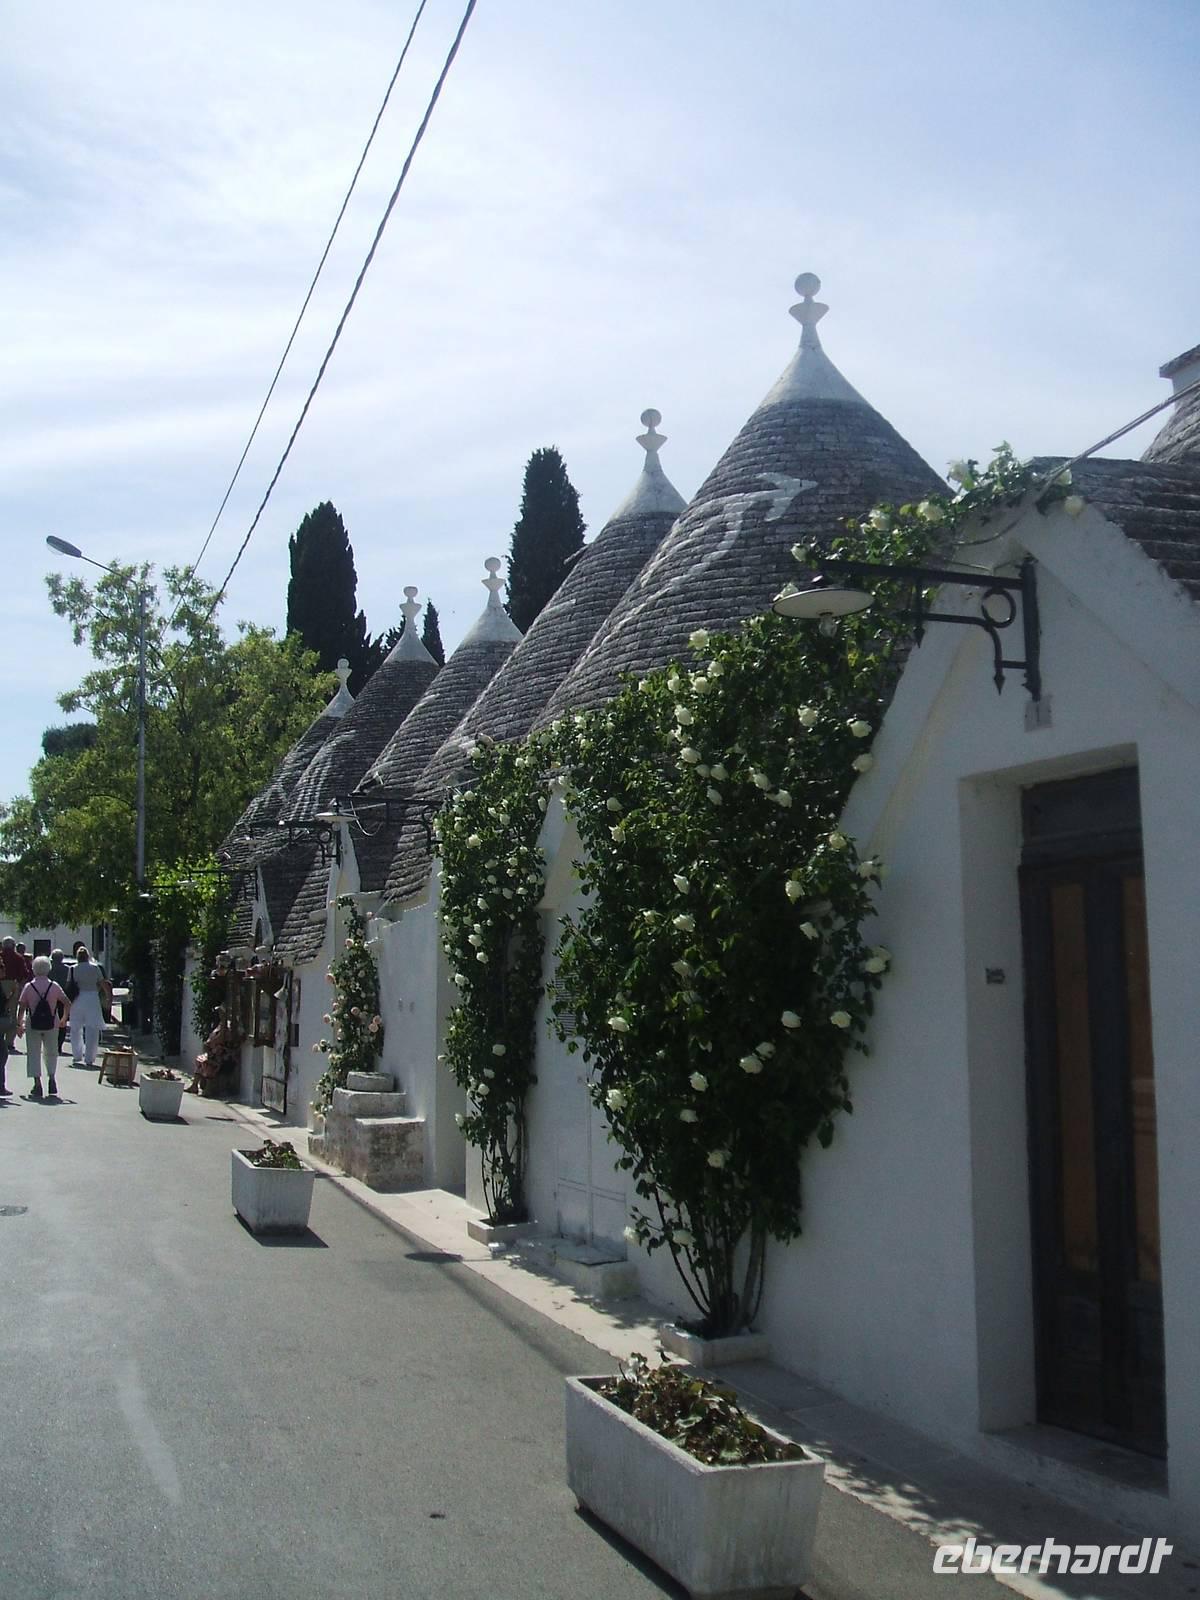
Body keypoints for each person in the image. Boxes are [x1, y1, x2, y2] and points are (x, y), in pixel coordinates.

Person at [16, 955, 71, 1099]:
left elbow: (22, 1007)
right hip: (52, 1022)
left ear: (34, 969)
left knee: (33, 1052)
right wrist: (64, 1018)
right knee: (51, 1051)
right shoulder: (54, 986)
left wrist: (19, 1024)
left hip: (33, 1023)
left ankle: (37, 1083)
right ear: (48, 969)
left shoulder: (29, 986)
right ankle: (52, 1077)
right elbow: (67, 1002)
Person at [68, 946, 110, 1069]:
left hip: (77, 998)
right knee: (92, 1028)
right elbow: (103, 983)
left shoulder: (73, 969)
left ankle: (77, 1054)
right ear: (87, 956)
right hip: (92, 997)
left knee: (75, 1027)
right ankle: (89, 1057)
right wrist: (108, 997)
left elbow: (69, 985)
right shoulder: (95, 968)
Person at [187, 1007, 234, 1097]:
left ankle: (207, 1088)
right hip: (213, 1052)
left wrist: (211, 1044)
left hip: (221, 1055)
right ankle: (194, 1085)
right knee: (200, 1059)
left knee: (207, 1062)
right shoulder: (219, 1025)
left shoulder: (226, 1026)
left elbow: (221, 1039)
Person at [1, 937, 26, 1052]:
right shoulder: (18, 958)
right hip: (12, 985)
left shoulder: (0, 956)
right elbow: (24, 974)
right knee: (12, 1013)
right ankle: (9, 1041)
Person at [49, 948, 72, 1056]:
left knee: (50, 1020)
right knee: (62, 1021)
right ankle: (59, 1045)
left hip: (49, 997)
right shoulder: (67, 969)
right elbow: (69, 983)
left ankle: (51, 1044)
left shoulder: (48, 968)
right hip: (63, 996)